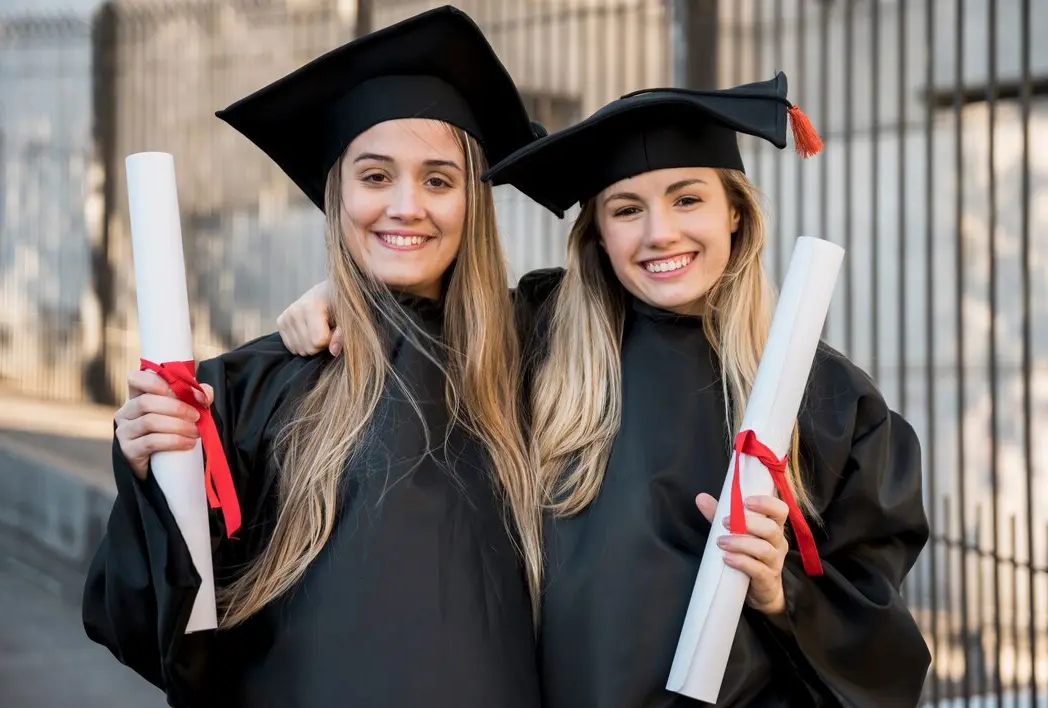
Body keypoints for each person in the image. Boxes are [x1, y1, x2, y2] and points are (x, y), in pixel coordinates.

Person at [278, 72, 932, 707]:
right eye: (627, 210)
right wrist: (338, 295)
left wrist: (779, 590)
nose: (660, 234)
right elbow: (428, 321)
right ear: (598, 235)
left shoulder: (825, 400)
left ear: (735, 212)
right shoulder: (535, 342)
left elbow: (881, 637)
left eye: (687, 198)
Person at [81, 7, 548, 708]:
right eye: (375, 176)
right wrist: (151, 469)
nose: (406, 205)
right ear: (337, 194)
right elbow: (161, 638)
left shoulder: (536, 359)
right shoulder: (245, 391)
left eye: (439, 180)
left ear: (472, 203)